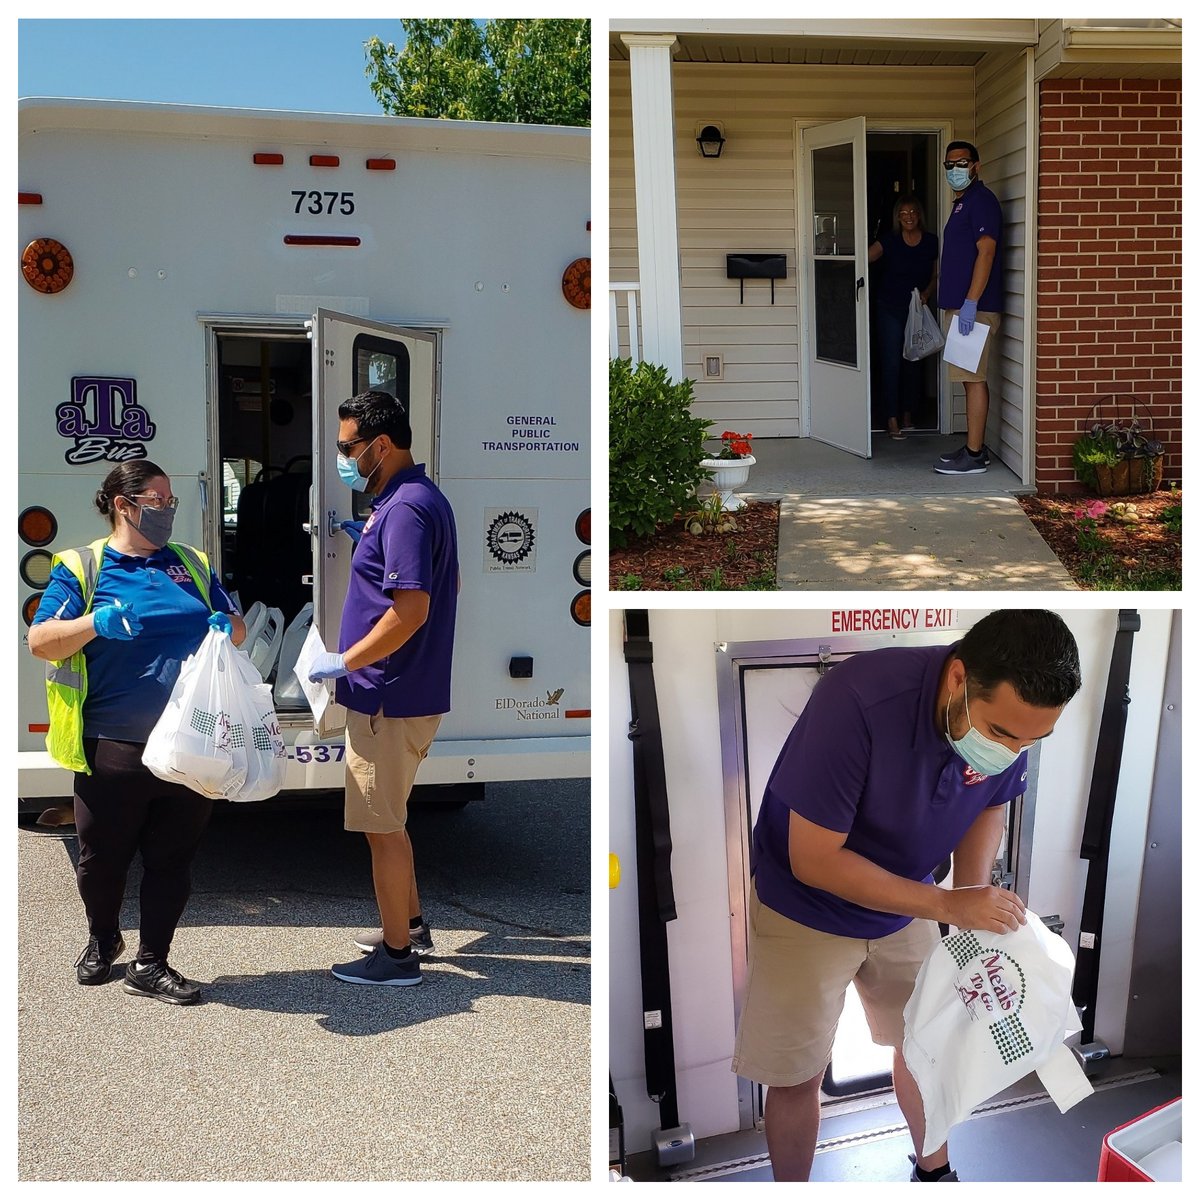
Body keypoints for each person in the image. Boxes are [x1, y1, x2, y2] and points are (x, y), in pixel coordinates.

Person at [731, 610, 1082, 1182]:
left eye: (1032, 740)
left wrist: (970, 898)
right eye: (1000, 735)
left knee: (924, 1045)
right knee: (796, 1074)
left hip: (909, 904)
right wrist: (948, 907)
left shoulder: (1008, 720)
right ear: (957, 680)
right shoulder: (859, 700)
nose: (1013, 751)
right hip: (805, 909)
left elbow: (991, 804)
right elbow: (812, 860)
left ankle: (935, 1171)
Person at [28, 461, 246, 1005]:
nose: (168, 509)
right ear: (124, 506)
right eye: (157, 499)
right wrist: (92, 623)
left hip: (189, 745)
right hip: (113, 744)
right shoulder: (82, 567)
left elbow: (236, 626)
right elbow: (41, 640)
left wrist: (227, 624)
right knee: (101, 860)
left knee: (172, 859)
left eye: (171, 500)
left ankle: (153, 962)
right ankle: (103, 937)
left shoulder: (190, 564)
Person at [308, 389, 459, 987]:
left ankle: (398, 958)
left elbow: (411, 610)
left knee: (381, 828)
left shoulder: (403, 509)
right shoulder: (415, 500)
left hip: (385, 698)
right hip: (399, 693)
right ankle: (411, 925)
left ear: (381, 445)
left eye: (348, 447)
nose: (343, 457)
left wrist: (346, 661)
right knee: (390, 819)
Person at [934, 140, 1004, 475]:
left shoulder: (982, 201)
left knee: (973, 379)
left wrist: (971, 302)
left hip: (973, 309)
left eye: (961, 163)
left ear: (976, 165)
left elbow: (986, 252)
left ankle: (974, 456)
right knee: (967, 378)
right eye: (949, 165)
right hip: (962, 308)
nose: (954, 170)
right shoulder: (963, 203)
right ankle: (973, 447)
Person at [868, 195, 939, 439]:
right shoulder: (890, 240)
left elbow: (935, 275)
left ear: (919, 215)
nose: (908, 216)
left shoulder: (931, 242)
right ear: (897, 217)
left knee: (914, 361)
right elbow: (864, 258)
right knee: (891, 363)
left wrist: (928, 293)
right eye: (903, 213)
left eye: (913, 212)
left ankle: (908, 414)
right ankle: (892, 419)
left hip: (916, 309)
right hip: (889, 307)